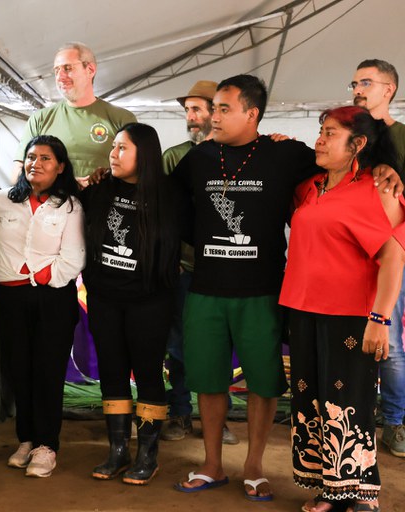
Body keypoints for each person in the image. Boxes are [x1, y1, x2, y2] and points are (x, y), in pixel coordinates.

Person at [172, 75, 402, 502]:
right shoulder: (203, 158)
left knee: (275, 385)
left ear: (252, 113)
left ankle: (266, 470)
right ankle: (214, 465)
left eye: (223, 108)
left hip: (272, 295)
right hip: (231, 293)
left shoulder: (289, 155)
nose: (213, 116)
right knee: (227, 384)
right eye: (211, 108)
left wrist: (384, 168)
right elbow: (170, 201)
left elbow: (385, 238)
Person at [280, 106, 405, 512]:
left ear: (358, 144)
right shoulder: (310, 187)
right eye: (321, 130)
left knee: (349, 403)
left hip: (350, 315)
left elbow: (394, 257)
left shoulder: (377, 189)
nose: (320, 138)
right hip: (302, 310)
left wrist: (380, 318)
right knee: (311, 402)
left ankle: (361, 495)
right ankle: (330, 490)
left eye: (330, 133)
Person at [82, 122, 181, 485]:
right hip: (106, 300)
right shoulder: (99, 190)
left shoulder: (170, 195)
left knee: (149, 374)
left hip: (150, 304)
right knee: (112, 372)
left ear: (146, 153)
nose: (114, 153)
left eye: (123, 147)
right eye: (113, 146)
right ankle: (117, 451)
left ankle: (148, 455)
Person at [0, 135, 85, 478]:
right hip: (11, 298)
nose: (37, 163)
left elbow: (74, 256)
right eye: (31, 157)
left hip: (53, 298)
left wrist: (44, 277)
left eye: (46, 158)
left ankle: (47, 446)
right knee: (20, 369)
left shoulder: (70, 206)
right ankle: (27, 439)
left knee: (48, 372)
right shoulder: (3, 200)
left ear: (60, 166)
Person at [160, 79, 239, 446]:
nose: (190, 116)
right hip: (185, 269)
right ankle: (179, 413)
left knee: (218, 347)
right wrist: (170, 258)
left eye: (197, 109)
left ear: (218, 112)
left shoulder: (241, 154)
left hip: (226, 269)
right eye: (187, 110)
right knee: (178, 345)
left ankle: (216, 420)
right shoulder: (174, 156)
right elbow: (163, 212)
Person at [350, 58, 405, 458]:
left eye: (366, 82)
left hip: (391, 256)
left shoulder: (402, 137)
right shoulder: (349, 136)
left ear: (389, 89)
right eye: (353, 82)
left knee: (389, 344)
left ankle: (396, 423)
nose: (357, 88)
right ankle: (355, 421)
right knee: (348, 342)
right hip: (348, 257)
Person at [14, 42, 136, 182]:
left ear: (90, 69)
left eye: (67, 68)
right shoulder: (40, 119)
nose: (60, 76)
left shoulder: (122, 118)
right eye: (56, 70)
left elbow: (136, 173)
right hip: (54, 203)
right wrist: (67, 185)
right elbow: (17, 173)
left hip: (103, 202)